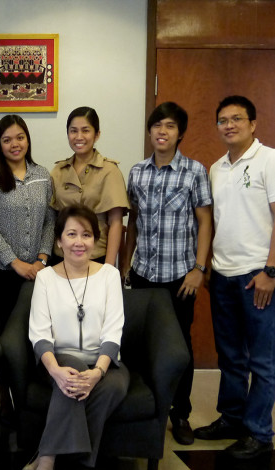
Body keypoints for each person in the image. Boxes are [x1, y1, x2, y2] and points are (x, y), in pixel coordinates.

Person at [121, 102, 212, 446]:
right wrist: (127, 265)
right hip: (143, 273)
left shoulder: (194, 171)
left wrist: (198, 269)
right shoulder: (137, 172)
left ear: (180, 133)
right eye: (157, 125)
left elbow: (205, 222)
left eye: (170, 126)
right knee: (138, 345)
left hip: (180, 276)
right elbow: (133, 224)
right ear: (149, 131)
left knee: (180, 347)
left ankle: (181, 413)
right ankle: (140, 408)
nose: (162, 131)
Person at [193, 96, 275, 459]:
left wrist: (270, 271)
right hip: (223, 276)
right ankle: (232, 418)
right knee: (230, 356)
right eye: (222, 120)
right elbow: (213, 223)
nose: (229, 125)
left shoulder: (269, 160)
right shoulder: (216, 168)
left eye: (237, 119)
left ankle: (260, 433)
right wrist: (209, 265)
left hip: (257, 276)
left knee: (262, 359)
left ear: (252, 124)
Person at [25, 205, 128, 470]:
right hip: (58, 359)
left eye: (86, 234)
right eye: (71, 234)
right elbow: (39, 331)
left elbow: (114, 329)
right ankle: (53, 462)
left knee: (112, 387)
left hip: (104, 360)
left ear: (95, 239)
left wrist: (99, 372)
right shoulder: (46, 278)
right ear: (59, 241)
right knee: (73, 373)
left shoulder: (109, 275)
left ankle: (47, 455)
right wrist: (55, 370)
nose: (79, 242)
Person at [0, 114, 55, 426]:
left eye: (19, 137)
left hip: (38, 273)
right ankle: (7, 397)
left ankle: (30, 399)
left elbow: (51, 220)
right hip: (2, 273)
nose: (14, 144)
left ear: (27, 139)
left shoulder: (42, 175)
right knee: (5, 338)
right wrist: (15, 262)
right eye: (7, 139)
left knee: (33, 336)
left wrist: (42, 258)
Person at [50, 106, 128, 266]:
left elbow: (115, 222)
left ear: (97, 134)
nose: (79, 137)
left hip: (96, 255)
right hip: (62, 255)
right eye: (73, 131)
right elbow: (51, 220)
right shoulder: (58, 170)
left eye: (85, 130)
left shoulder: (109, 171)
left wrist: (109, 266)